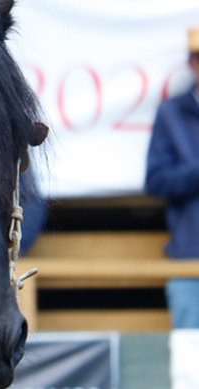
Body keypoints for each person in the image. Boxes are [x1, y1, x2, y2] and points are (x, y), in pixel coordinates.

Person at [145, 26, 199, 329]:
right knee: (193, 360)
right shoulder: (171, 113)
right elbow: (156, 181)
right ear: (191, 63)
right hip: (191, 257)